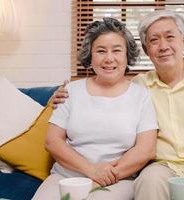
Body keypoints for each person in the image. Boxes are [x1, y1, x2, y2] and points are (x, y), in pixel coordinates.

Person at [53, 10, 184, 200]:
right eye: (154, 40)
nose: (163, 46)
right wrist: (60, 95)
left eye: (170, 37)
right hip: (164, 168)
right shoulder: (139, 87)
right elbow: (106, 91)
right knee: (149, 181)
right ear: (146, 50)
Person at [32, 17, 158, 200]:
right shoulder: (70, 92)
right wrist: (91, 170)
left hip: (118, 179)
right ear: (90, 56)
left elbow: (146, 149)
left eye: (117, 50)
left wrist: (105, 176)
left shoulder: (141, 95)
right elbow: (53, 142)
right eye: (100, 51)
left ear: (127, 55)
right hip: (67, 177)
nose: (109, 58)